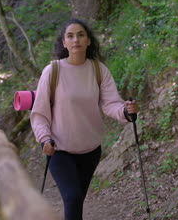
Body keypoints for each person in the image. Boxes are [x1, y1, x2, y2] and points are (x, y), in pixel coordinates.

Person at [30, 18, 139, 220]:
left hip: (90, 151)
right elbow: (39, 113)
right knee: (72, 199)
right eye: (70, 36)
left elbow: (110, 103)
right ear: (64, 43)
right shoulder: (52, 71)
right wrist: (44, 138)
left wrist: (125, 111)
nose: (75, 40)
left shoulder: (99, 70)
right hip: (59, 149)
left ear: (89, 41)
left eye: (80, 35)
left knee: (77, 201)